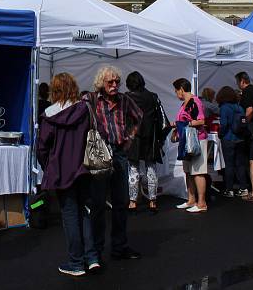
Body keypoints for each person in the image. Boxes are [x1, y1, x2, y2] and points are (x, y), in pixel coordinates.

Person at [36, 73, 96, 277]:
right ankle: (92, 257)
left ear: (55, 90)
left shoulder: (49, 115)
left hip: (62, 171)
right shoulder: (85, 109)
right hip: (85, 169)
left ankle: (77, 262)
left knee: (70, 215)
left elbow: (42, 147)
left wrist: (49, 166)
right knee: (85, 212)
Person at [86, 65, 143, 262]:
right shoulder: (90, 99)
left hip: (119, 153)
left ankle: (119, 246)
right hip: (100, 154)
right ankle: (96, 251)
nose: (115, 85)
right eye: (110, 82)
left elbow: (138, 117)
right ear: (101, 82)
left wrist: (129, 139)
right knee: (98, 204)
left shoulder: (125, 100)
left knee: (121, 202)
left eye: (117, 81)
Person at [124, 71, 164, 213]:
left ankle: (133, 202)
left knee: (133, 169)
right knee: (151, 168)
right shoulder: (153, 97)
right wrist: (161, 137)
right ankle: (153, 201)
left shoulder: (126, 98)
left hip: (133, 137)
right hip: (150, 137)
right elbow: (160, 119)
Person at [172, 78, 209, 213]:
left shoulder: (195, 101)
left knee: (198, 172)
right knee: (188, 171)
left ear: (181, 89)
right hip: (187, 141)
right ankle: (191, 199)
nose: (176, 94)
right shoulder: (185, 104)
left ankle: (201, 203)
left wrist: (184, 124)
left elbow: (201, 120)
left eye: (176, 91)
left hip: (197, 140)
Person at [216, 86, 248, 198]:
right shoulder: (239, 107)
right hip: (240, 139)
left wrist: (220, 134)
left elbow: (224, 124)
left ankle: (229, 189)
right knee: (240, 164)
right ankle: (243, 188)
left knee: (229, 165)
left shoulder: (224, 108)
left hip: (229, 139)